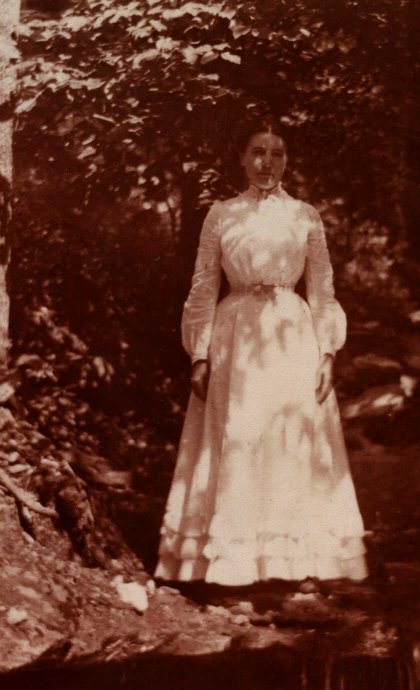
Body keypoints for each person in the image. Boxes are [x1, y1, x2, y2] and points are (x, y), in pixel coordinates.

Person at [154, 117, 367, 586]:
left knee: (292, 434)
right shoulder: (221, 214)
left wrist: (328, 350)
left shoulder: (305, 215)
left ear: (287, 161)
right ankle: (231, 566)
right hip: (236, 336)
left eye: (277, 154)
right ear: (241, 158)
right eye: (257, 152)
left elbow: (323, 287)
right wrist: (200, 354)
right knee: (240, 435)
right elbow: (204, 285)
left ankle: (299, 563)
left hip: (291, 333)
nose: (267, 163)